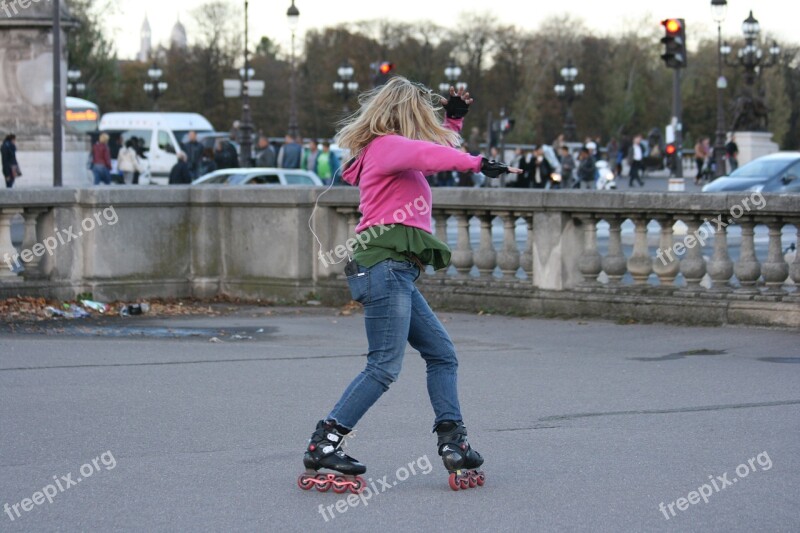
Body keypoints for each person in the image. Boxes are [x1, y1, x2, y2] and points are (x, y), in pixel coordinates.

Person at [298, 77, 520, 494]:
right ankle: (324, 441)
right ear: (406, 113)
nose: (428, 121)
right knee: (383, 366)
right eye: (424, 114)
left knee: (442, 354)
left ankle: (454, 441)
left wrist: (453, 122)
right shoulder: (387, 146)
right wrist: (477, 163)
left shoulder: (394, 152)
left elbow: (429, 153)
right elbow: (431, 154)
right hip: (383, 267)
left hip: (392, 269)